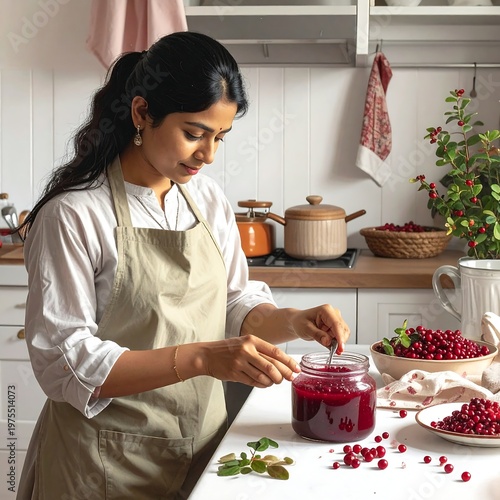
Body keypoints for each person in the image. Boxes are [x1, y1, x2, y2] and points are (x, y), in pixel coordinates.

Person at [17, 31, 350, 499]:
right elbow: (64, 359)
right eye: (194, 133)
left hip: (200, 451)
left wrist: (293, 321)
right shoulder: (73, 216)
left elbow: (233, 300)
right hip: (103, 465)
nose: (208, 154)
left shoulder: (206, 199)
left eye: (220, 136)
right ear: (141, 113)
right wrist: (201, 358)